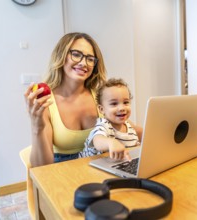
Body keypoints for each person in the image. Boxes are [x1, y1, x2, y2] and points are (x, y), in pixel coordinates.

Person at [24, 32, 108, 167]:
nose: (83, 63)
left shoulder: (101, 96)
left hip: (100, 168)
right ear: (61, 55)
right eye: (76, 54)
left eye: (90, 58)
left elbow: (128, 127)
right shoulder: (45, 101)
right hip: (64, 174)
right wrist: (36, 127)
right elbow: (41, 166)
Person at [80, 78, 141, 161]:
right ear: (102, 109)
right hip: (86, 165)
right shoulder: (104, 125)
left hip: (114, 164)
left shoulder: (130, 127)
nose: (122, 108)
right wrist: (110, 142)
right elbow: (97, 140)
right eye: (114, 104)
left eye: (126, 102)